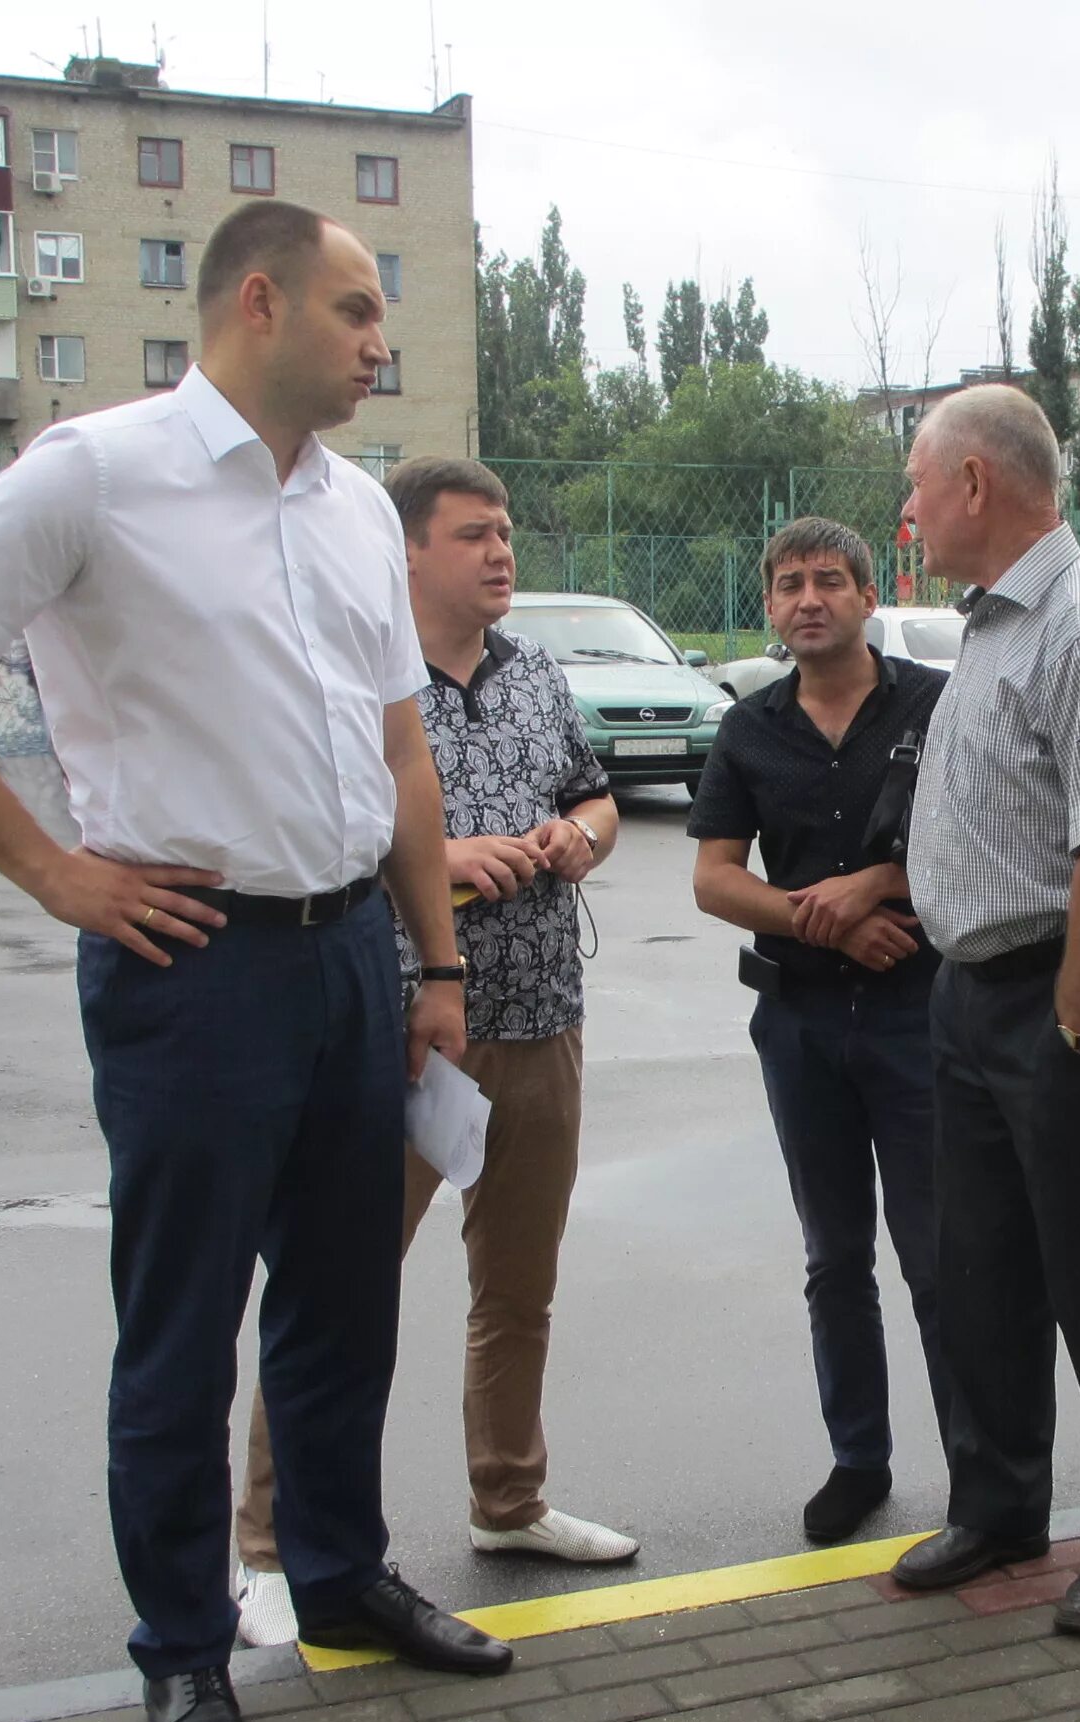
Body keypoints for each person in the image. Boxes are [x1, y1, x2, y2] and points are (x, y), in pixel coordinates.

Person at [0, 201, 511, 1722]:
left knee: (345, 1306)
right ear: (257, 303)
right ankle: (185, 1650)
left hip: (356, 957)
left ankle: (340, 1580)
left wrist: (433, 965)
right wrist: (58, 873)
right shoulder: (97, 470)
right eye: (354, 311)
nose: (377, 342)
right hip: (191, 964)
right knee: (185, 1327)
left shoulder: (356, 509)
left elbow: (403, 758)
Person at [232, 457, 635, 1649]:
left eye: (507, 531)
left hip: (542, 1019)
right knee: (336, 1296)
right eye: (474, 535)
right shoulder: (355, 678)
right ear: (406, 552)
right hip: (404, 1031)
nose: (502, 553)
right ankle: (264, 1547)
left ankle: (508, 1501)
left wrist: (578, 835)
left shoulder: (535, 674)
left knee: (518, 1288)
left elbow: (599, 797)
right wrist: (443, 861)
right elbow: (309, 841)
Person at [888, 385, 1080, 1638]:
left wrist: (1071, 1026)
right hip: (970, 1000)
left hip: (1067, 996)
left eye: (916, 486)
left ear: (973, 486)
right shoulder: (992, 625)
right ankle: (1001, 1503)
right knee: (981, 1273)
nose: (904, 514)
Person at [689, 517, 953, 1546]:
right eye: (790, 583)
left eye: (830, 581)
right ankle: (859, 1462)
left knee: (939, 1257)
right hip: (799, 1024)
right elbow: (712, 878)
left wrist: (878, 884)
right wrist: (827, 922)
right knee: (834, 1256)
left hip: (922, 1016)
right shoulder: (749, 727)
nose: (810, 599)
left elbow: (982, 834)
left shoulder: (936, 705)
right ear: (769, 604)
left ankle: (977, 1463)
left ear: (867, 593)